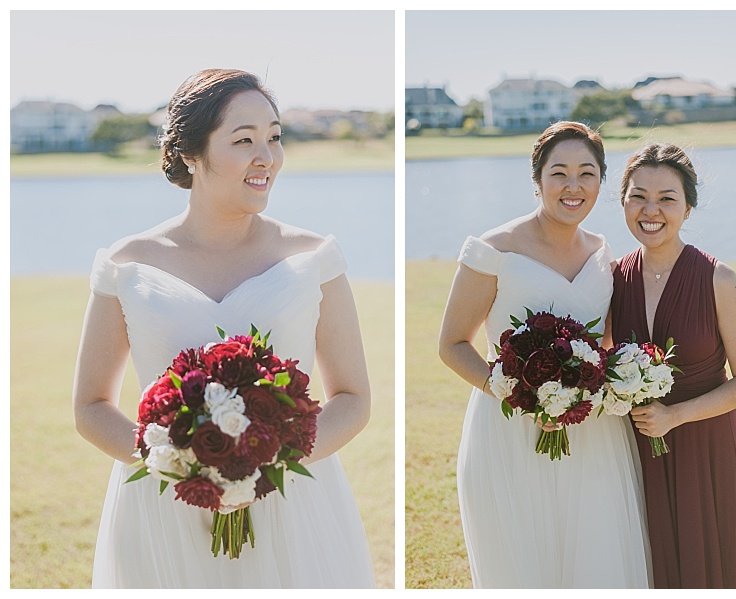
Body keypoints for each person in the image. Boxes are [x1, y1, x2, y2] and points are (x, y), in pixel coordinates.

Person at [72, 69, 375, 589]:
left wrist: (268, 462)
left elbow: (352, 397)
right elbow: (91, 407)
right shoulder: (128, 264)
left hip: (292, 502)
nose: (268, 157)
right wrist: (177, 464)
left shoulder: (313, 256)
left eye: (275, 137)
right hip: (164, 507)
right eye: (244, 140)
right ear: (191, 153)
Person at [439, 121, 651, 588]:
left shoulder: (602, 253)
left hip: (593, 433)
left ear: (601, 181)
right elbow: (452, 344)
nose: (573, 186)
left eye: (586, 173)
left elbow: (607, 346)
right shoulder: (492, 249)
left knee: (595, 561)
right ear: (536, 180)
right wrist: (518, 392)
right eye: (559, 173)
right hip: (508, 428)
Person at [610, 143, 736, 588]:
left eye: (667, 199)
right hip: (639, 454)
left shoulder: (719, 279)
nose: (650, 210)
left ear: (689, 208)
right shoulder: (613, 279)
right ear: (623, 201)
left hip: (709, 450)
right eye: (638, 196)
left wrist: (676, 415)